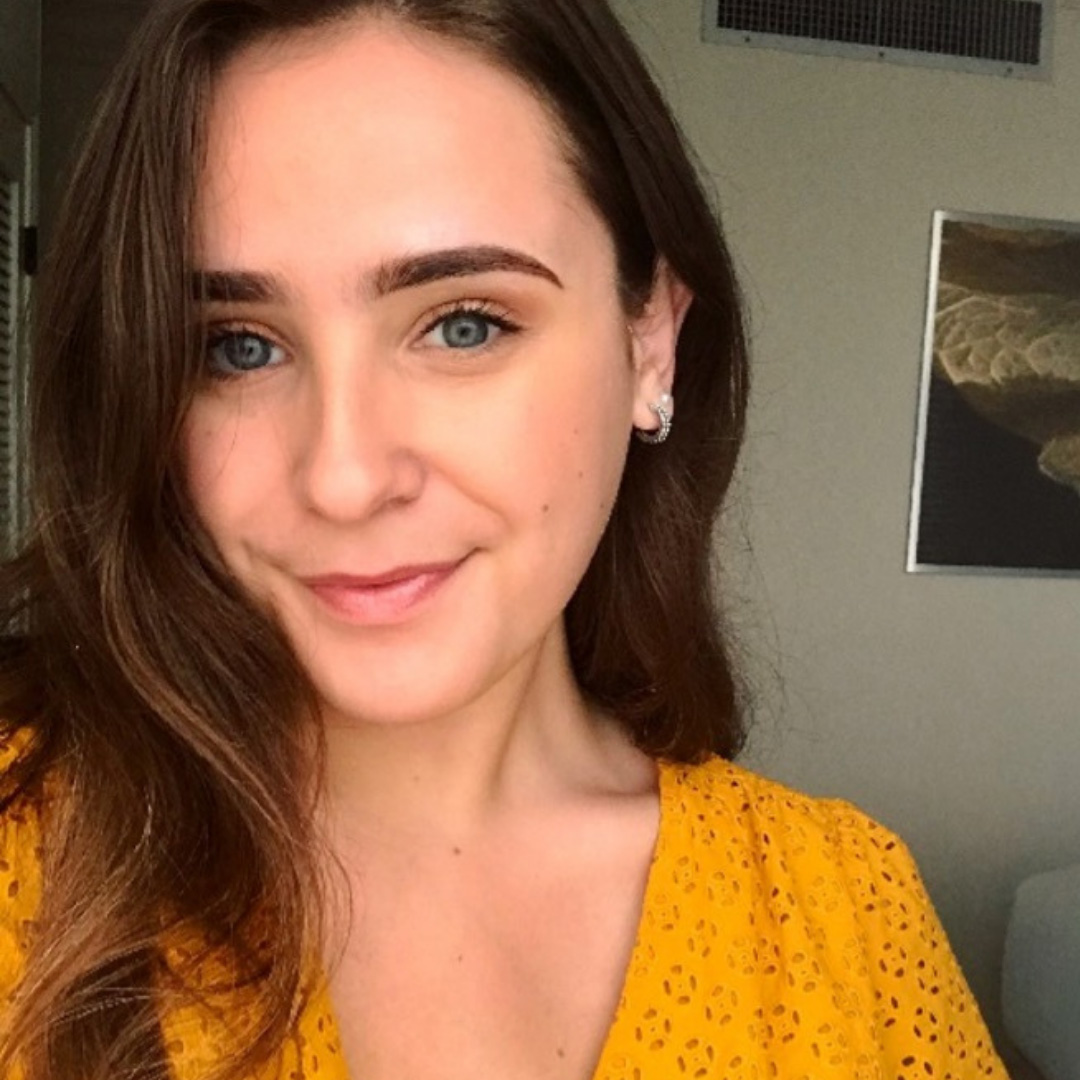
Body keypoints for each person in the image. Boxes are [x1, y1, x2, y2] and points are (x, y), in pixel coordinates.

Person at [0, 1, 1008, 1078]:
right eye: (238, 347)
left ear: (651, 341)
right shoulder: (30, 852)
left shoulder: (850, 915)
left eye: (463, 324)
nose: (343, 477)